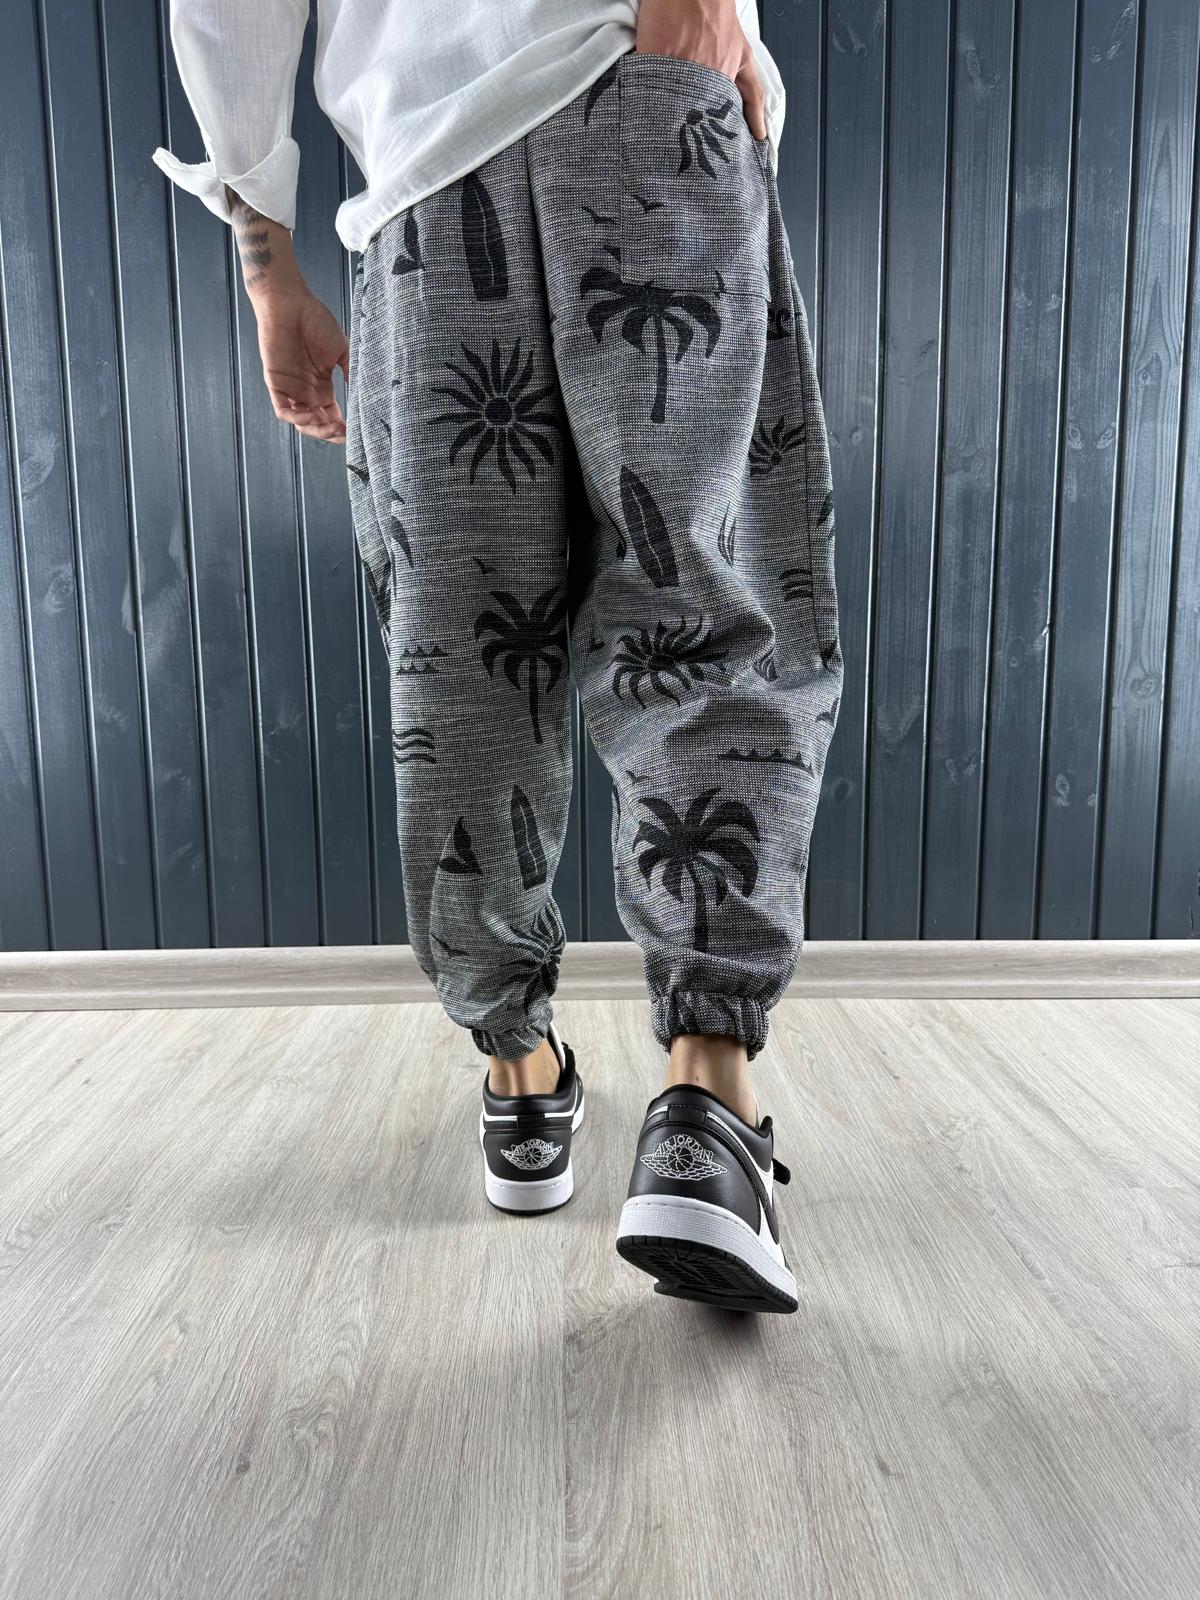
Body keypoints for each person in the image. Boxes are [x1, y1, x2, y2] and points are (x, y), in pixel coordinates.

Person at [154, 0, 842, 1314]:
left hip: (422, 185)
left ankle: (522, 1079)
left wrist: (267, 261)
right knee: (698, 608)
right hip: (632, 80)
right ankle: (705, 1107)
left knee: (463, 667)